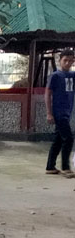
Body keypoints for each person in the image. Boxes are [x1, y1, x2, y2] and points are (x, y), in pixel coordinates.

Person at [45, 49, 75, 177]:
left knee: (58, 139)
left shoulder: (73, 75)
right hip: (58, 112)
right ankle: (66, 167)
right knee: (68, 138)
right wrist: (49, 113)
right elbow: (47, 94)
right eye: (65, 60)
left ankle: (50, 166)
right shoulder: (56, 76)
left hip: (68, 112)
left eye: (70, 60)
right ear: (60, 61)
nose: (67, 63)